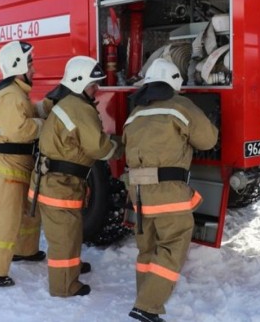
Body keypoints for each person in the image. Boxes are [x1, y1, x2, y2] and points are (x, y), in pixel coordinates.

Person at [123, 58, 218, 322]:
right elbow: (208, 140)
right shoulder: (180, 105)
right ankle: (147, 306)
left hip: (137, 192)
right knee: (173, 245)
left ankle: (144, 296)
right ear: (174, 82)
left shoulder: (135, 112)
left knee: (147, 247)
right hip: (168, 191)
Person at [30, 55, 122, 297]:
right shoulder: (80, 109)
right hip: (59, 184)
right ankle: (63, 286)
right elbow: (99, 148)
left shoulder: (69, 103)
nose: (97, 89)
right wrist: (121, 147)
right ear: (80, 82)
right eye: (94, 85)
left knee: (68, 230)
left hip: (56, 181)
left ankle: (70, 269)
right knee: (63, 236)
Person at [0, 40, 45, 287]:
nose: (34, 70)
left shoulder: (17, 94)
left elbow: (26, 114)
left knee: (28, 212)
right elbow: (20, 130)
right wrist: (44, 125)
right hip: (9, 166)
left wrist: (46, 107)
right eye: (30, 63)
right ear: (17, 65)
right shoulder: (10, 96)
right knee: (6, 217)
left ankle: (25, 250)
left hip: (19, 163)